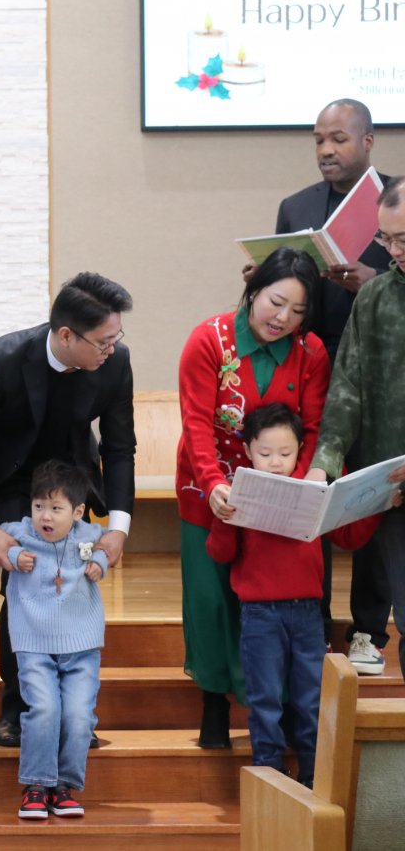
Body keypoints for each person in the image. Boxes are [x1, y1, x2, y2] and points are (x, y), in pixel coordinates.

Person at [0, 272, 134, 748]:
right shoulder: (4, 358)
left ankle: (74, 714)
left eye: (116, 338)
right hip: (14, 482)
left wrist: (118, 527)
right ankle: (18, 707)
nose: (111, 349)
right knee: (22, 588)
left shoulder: (115, 363)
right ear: (66, 335)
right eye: (103, 341)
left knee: (73, 587)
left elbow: (119, 447)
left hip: (71, 481)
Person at [177, 247, 329, 749]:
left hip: (277, 503)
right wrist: (214, 484)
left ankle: (275, 711)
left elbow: (313, 429)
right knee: (210, 599)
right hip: (210, 492)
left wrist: (292, 488)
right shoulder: (209, 340)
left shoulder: (311, 353)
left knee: (267, 603)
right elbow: (196, 424)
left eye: (298, 311)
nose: (283, 318)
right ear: (253, 288)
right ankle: (213, 701)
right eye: (276, 302)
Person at [264, 98, 394, 675]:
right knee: (312, 491)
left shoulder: (396, 201)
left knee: (372, 501)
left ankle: (368, 629)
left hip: (381, 373)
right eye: (319, 139)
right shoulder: (295, 207)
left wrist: (376, 280)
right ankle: (311, 622)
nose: (325, 150)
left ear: (368, 141)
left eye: (338, 138)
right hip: (312, 368)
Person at [207, 404, 391, 787]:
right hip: (259, 615)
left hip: (307, 613)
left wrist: (377, 505)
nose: (275, 462)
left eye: (285, 453)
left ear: (300, 452)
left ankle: (313, 778)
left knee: (311, 700)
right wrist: (225, 518)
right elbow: (220, 554)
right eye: (265, 453)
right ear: (248, 451)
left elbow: (348, 537)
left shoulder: (312, 494)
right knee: (264, 699)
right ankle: (268, 777)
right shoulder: (241, 494)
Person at [308, 177, 405, 678]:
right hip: (394, 487)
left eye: (402, 239)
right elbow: (346, 389)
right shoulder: (375, 297)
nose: (393, 252)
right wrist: (323, 463)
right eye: (386, 239)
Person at [0, 461, 109, 820]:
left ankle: (63, 785)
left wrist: (101, 560)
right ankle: (36, 784)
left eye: (56, 508)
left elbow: (108, 543)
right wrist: (13, 555)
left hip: (81, 644)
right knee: (44, 709)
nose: (45, 516)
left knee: (79, 715)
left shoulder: (87, 534)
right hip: (33, 642)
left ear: (77, 512)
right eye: (38, 506)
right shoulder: (22, 532)